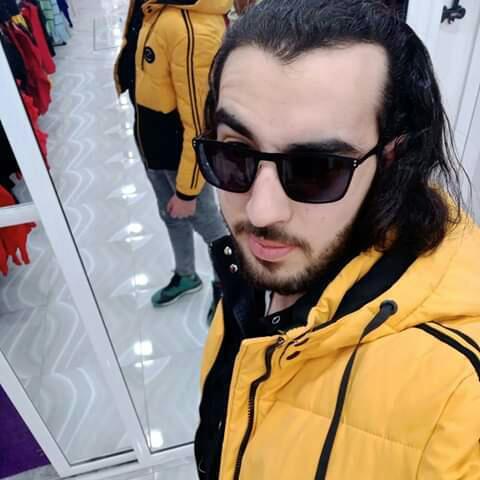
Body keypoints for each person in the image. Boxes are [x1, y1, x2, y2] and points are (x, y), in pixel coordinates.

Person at [193, 0, 480, 478]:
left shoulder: (460, 404)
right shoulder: (250, 275)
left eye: (316, 169)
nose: (261, 211)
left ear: (392, 159)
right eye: (235, 153)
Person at [114, 0, 230, 309]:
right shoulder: (152, 7)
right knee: (170, 215)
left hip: (181, 155)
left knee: (208, 223)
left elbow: (200, 122)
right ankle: (186, 274)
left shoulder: (188, 26)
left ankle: (229, 286)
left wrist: (187, 190)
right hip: (152, 140)